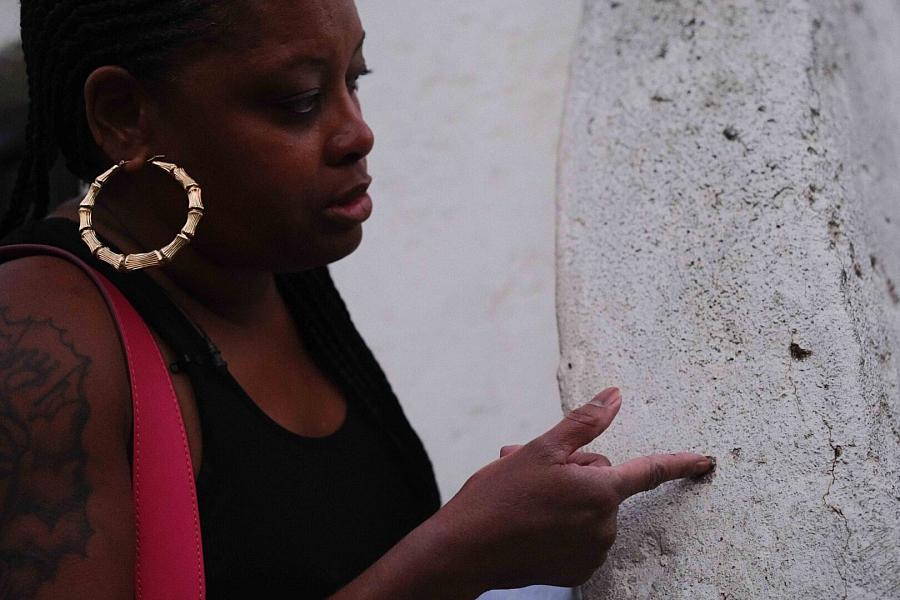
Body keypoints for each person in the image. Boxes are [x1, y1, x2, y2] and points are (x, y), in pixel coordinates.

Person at [0, 1, 715, 598]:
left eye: (356, 77)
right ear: (125, 114)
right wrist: (453, 559)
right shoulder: (42, 348)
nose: (357, 131)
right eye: (300, 101)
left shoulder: (271, 258)